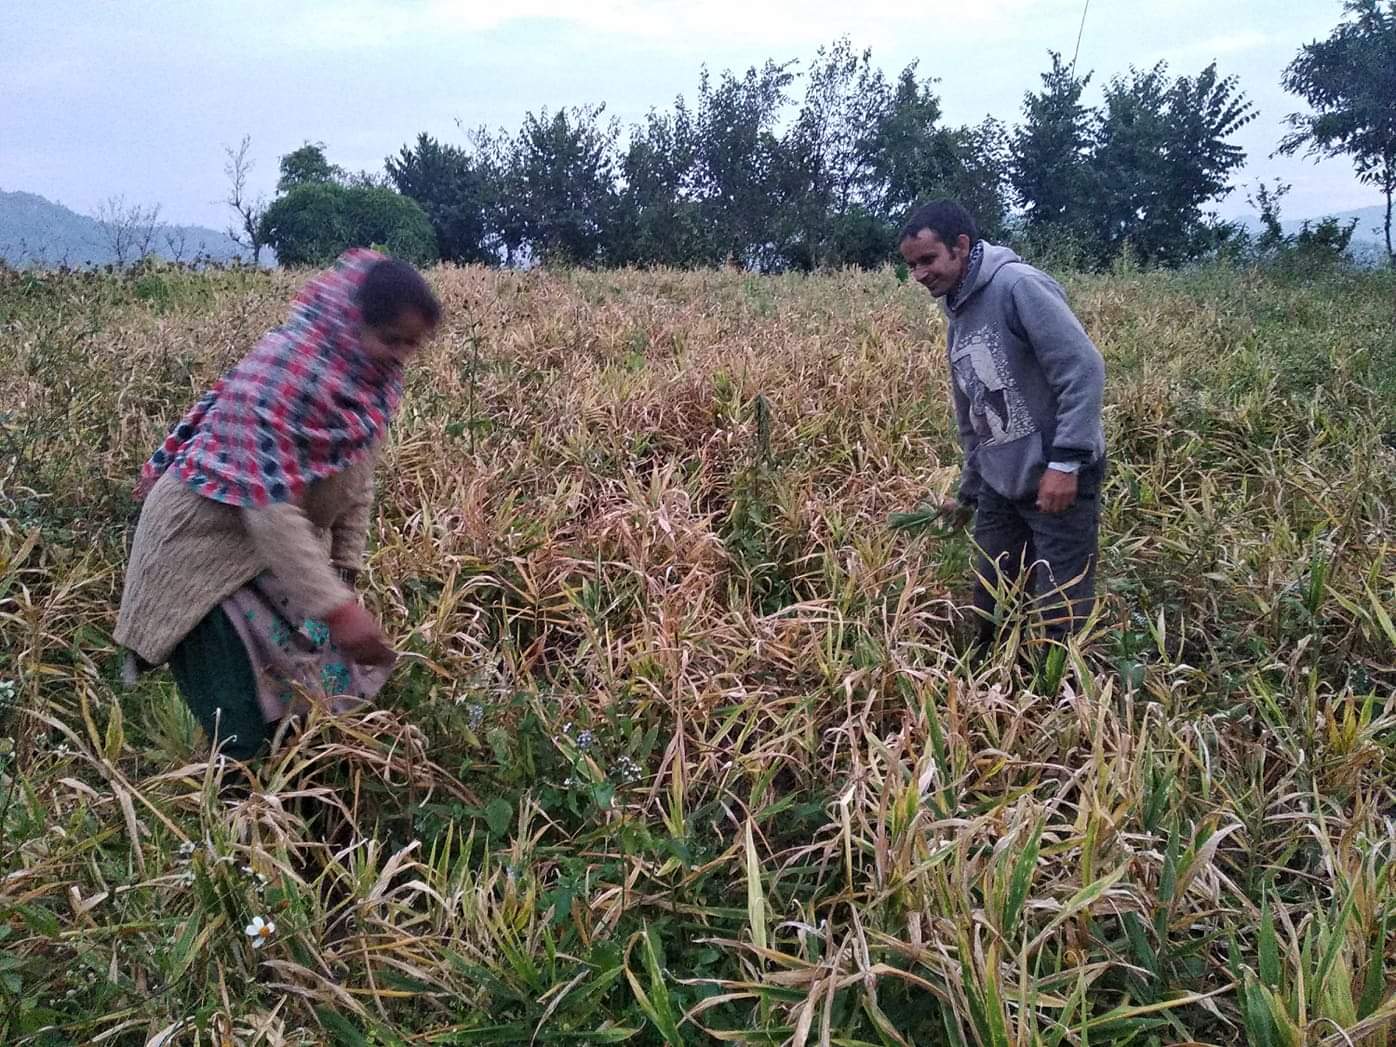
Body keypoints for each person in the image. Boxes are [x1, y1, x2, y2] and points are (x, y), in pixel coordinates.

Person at [115, 249, 441, 760]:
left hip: (267, 559)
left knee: (302, 703)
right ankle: (231, 803)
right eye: (390, 338)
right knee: (240, 724)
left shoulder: (369, 387)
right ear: (351, 321)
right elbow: (269, 509)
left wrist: (345, 569)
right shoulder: (280, 378)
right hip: (199, 554)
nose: (400, 354)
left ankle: (288, 793)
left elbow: (357, 481)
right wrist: (337, 608)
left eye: (411, 343)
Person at [897, 200, 1106, 649]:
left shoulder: (1018, 286)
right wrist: (969, 492)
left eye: (928, 259)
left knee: (1060, 607)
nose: (919, 274)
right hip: (1000, 482)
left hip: (1056, 477)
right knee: (992, 600)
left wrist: (1066, 463)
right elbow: (976, 413)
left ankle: (1061, 688)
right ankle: (994, 682)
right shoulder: (957, 312)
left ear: (961, 246)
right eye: (912, 265)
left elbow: (1083, 369)